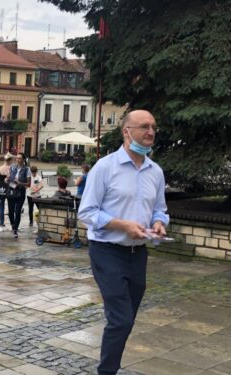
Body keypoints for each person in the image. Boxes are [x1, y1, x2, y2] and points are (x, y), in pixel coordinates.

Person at [78, 110, 169, 375]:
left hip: (138, 255)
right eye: (144, 127)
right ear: (126, 131)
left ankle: (109, 367)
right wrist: (123, 225)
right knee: (120, 319)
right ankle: (106, 372)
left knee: (126, 320)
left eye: (153, 127)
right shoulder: (105, 167)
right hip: (107, 251)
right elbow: (87, 212)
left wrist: (159, 223)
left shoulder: (155, 172)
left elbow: (160, 209)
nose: (150, 132)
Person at [6, 153, 30, 238]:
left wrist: (19, 183)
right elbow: (8, 177)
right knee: (10, 212)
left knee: (18, 211)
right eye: (17, 158)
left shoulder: (27, 170)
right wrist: (7, 179)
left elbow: (28, 184)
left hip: (20, 192)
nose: (18, 160)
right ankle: (13, 225)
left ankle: (15, 229)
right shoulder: (12, 167)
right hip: (11, 191)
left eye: (20, 158)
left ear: (23, 160)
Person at [0, 154, 13, 231]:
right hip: (10, 190)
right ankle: (13, 225)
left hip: (0, 190)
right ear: (11, 160)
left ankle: (1, 225)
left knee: (1, 208)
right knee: (11, 208)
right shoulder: (12, 169)